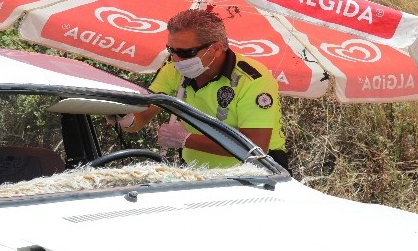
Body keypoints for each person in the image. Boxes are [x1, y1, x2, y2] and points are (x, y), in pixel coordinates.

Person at [111, 9, 289, 171]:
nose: (176, 59)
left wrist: (187, 140)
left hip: (255, 173)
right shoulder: (174, 71)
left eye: (186, 52)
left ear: (217, 49)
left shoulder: (253, 80)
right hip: (197, 172)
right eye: (171, 50)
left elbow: (255, 147)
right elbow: (141, 117)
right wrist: (123, 117)